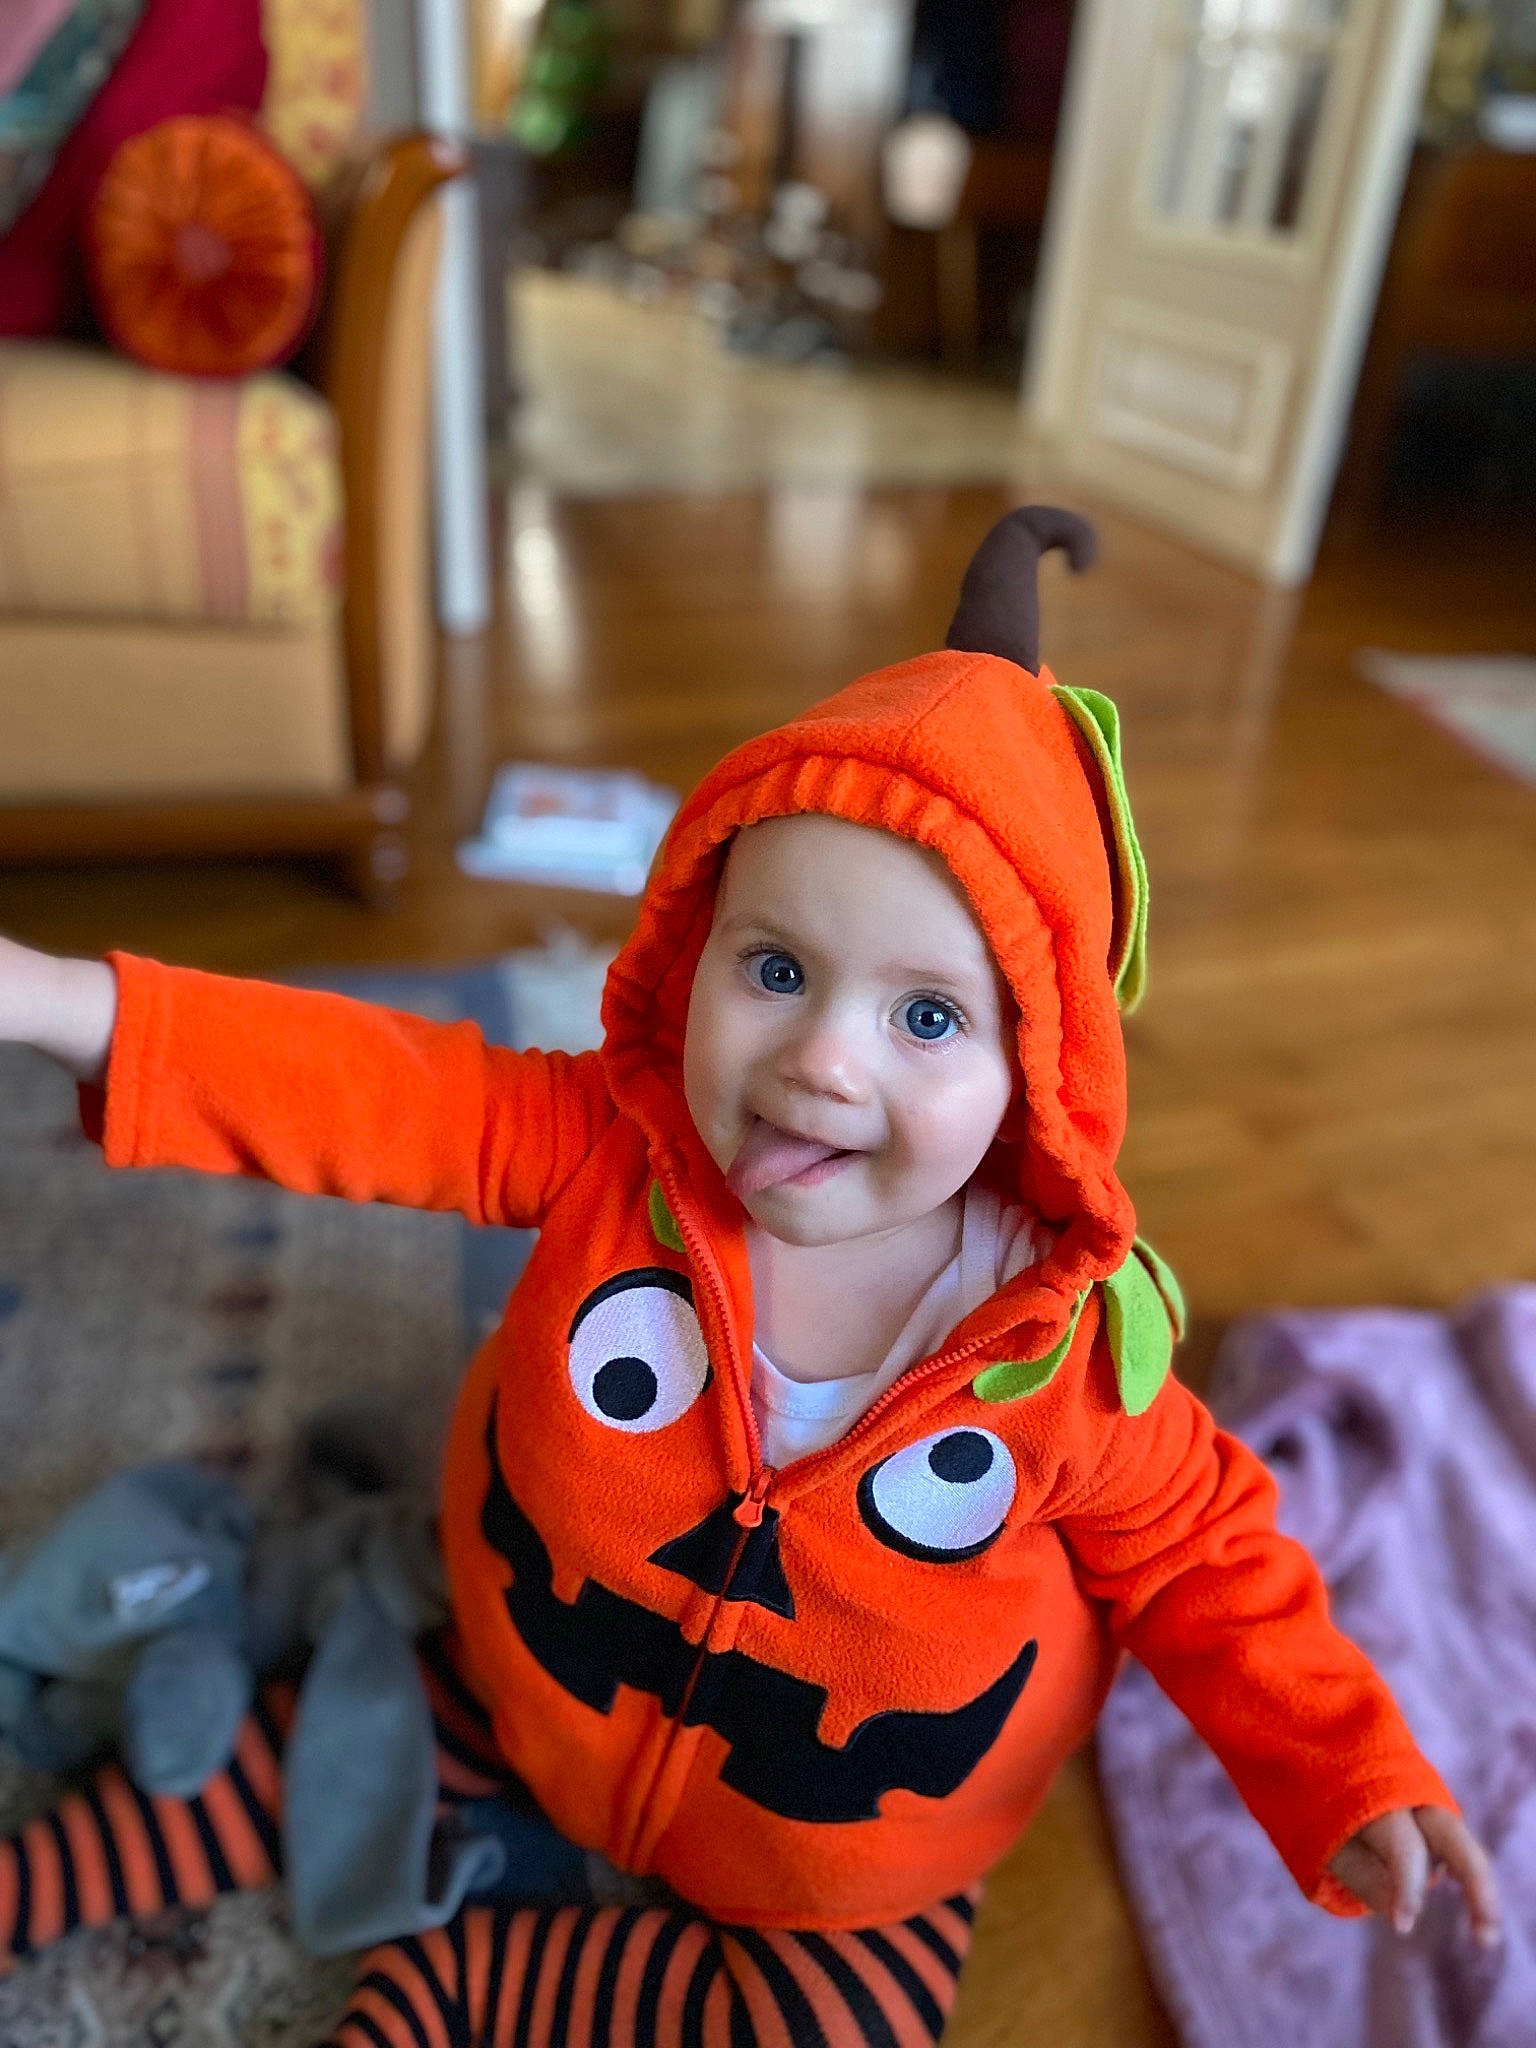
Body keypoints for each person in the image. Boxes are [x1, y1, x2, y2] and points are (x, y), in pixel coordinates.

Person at [0, 508, 1501, 2047]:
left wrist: (1345, 1771)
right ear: (693, 951)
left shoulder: (1061, 1359)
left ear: (1039, 1079)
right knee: (308, 1748)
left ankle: (472, 1980)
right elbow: (357, 1087)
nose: (820, 1063)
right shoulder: (611, 1152)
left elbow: (1210, 1567)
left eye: (926, 1019)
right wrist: (65, 1002)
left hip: (852, 1856)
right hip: (532, 1687)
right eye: (776, 969)